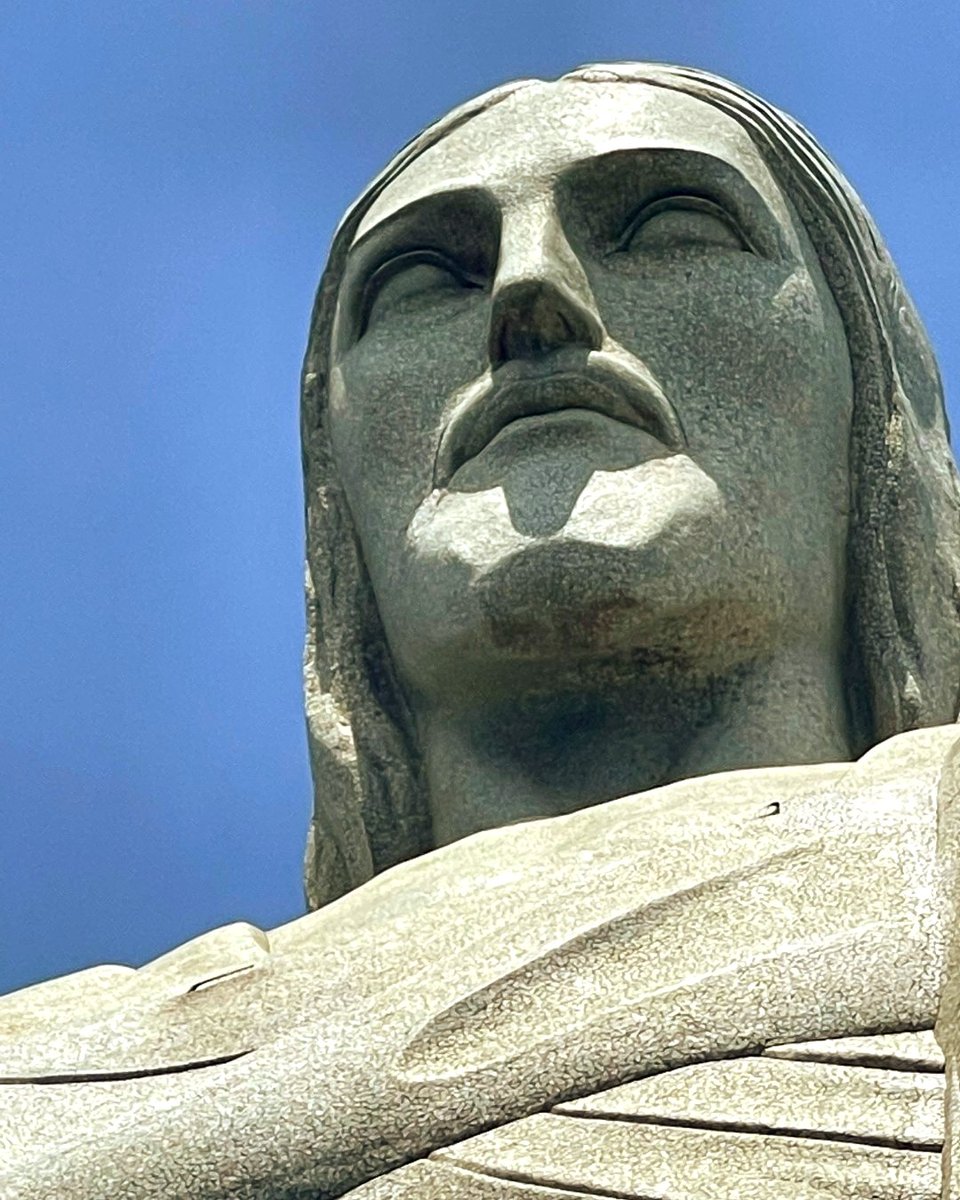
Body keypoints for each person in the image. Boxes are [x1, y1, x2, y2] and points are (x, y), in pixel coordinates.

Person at [1, 63, 959, 1199]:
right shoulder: (39, 1071)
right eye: (417, 280)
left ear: (869, 413)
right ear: (338, 513)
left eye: (669, 222)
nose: (531, 293)